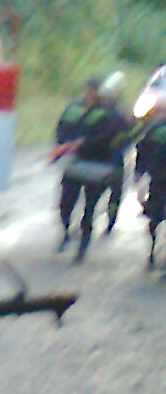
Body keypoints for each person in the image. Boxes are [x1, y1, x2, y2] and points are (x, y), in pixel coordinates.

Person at [53, 77, 129, 259]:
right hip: (76, 163)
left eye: (93, 91)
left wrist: (83, 143)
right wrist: (65, 144)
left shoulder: (113, 114)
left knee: (89, 207)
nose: (90, 94)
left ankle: (82, 248)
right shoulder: (77, 108)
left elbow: (113, 137)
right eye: (88, 90)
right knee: (65, 204)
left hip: (100, 165)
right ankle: (65, 232)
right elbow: (63, 128)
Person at [133, 96, 166, 268]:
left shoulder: (154, 129)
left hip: (158, 180)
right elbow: (143, 150)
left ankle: (153, 253)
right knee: (155, 216)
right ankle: (154, 252)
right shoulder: (155, 130)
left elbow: (142, 151)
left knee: (155, 217)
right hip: (159, 179)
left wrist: (139, 174)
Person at [100, 71, 131, 233]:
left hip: (101, 156)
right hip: (114, 157)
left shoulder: (97, 110)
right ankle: (111, 221)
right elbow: (129, 133)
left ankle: (106, 219)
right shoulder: (120, 112)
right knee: (115, 191)